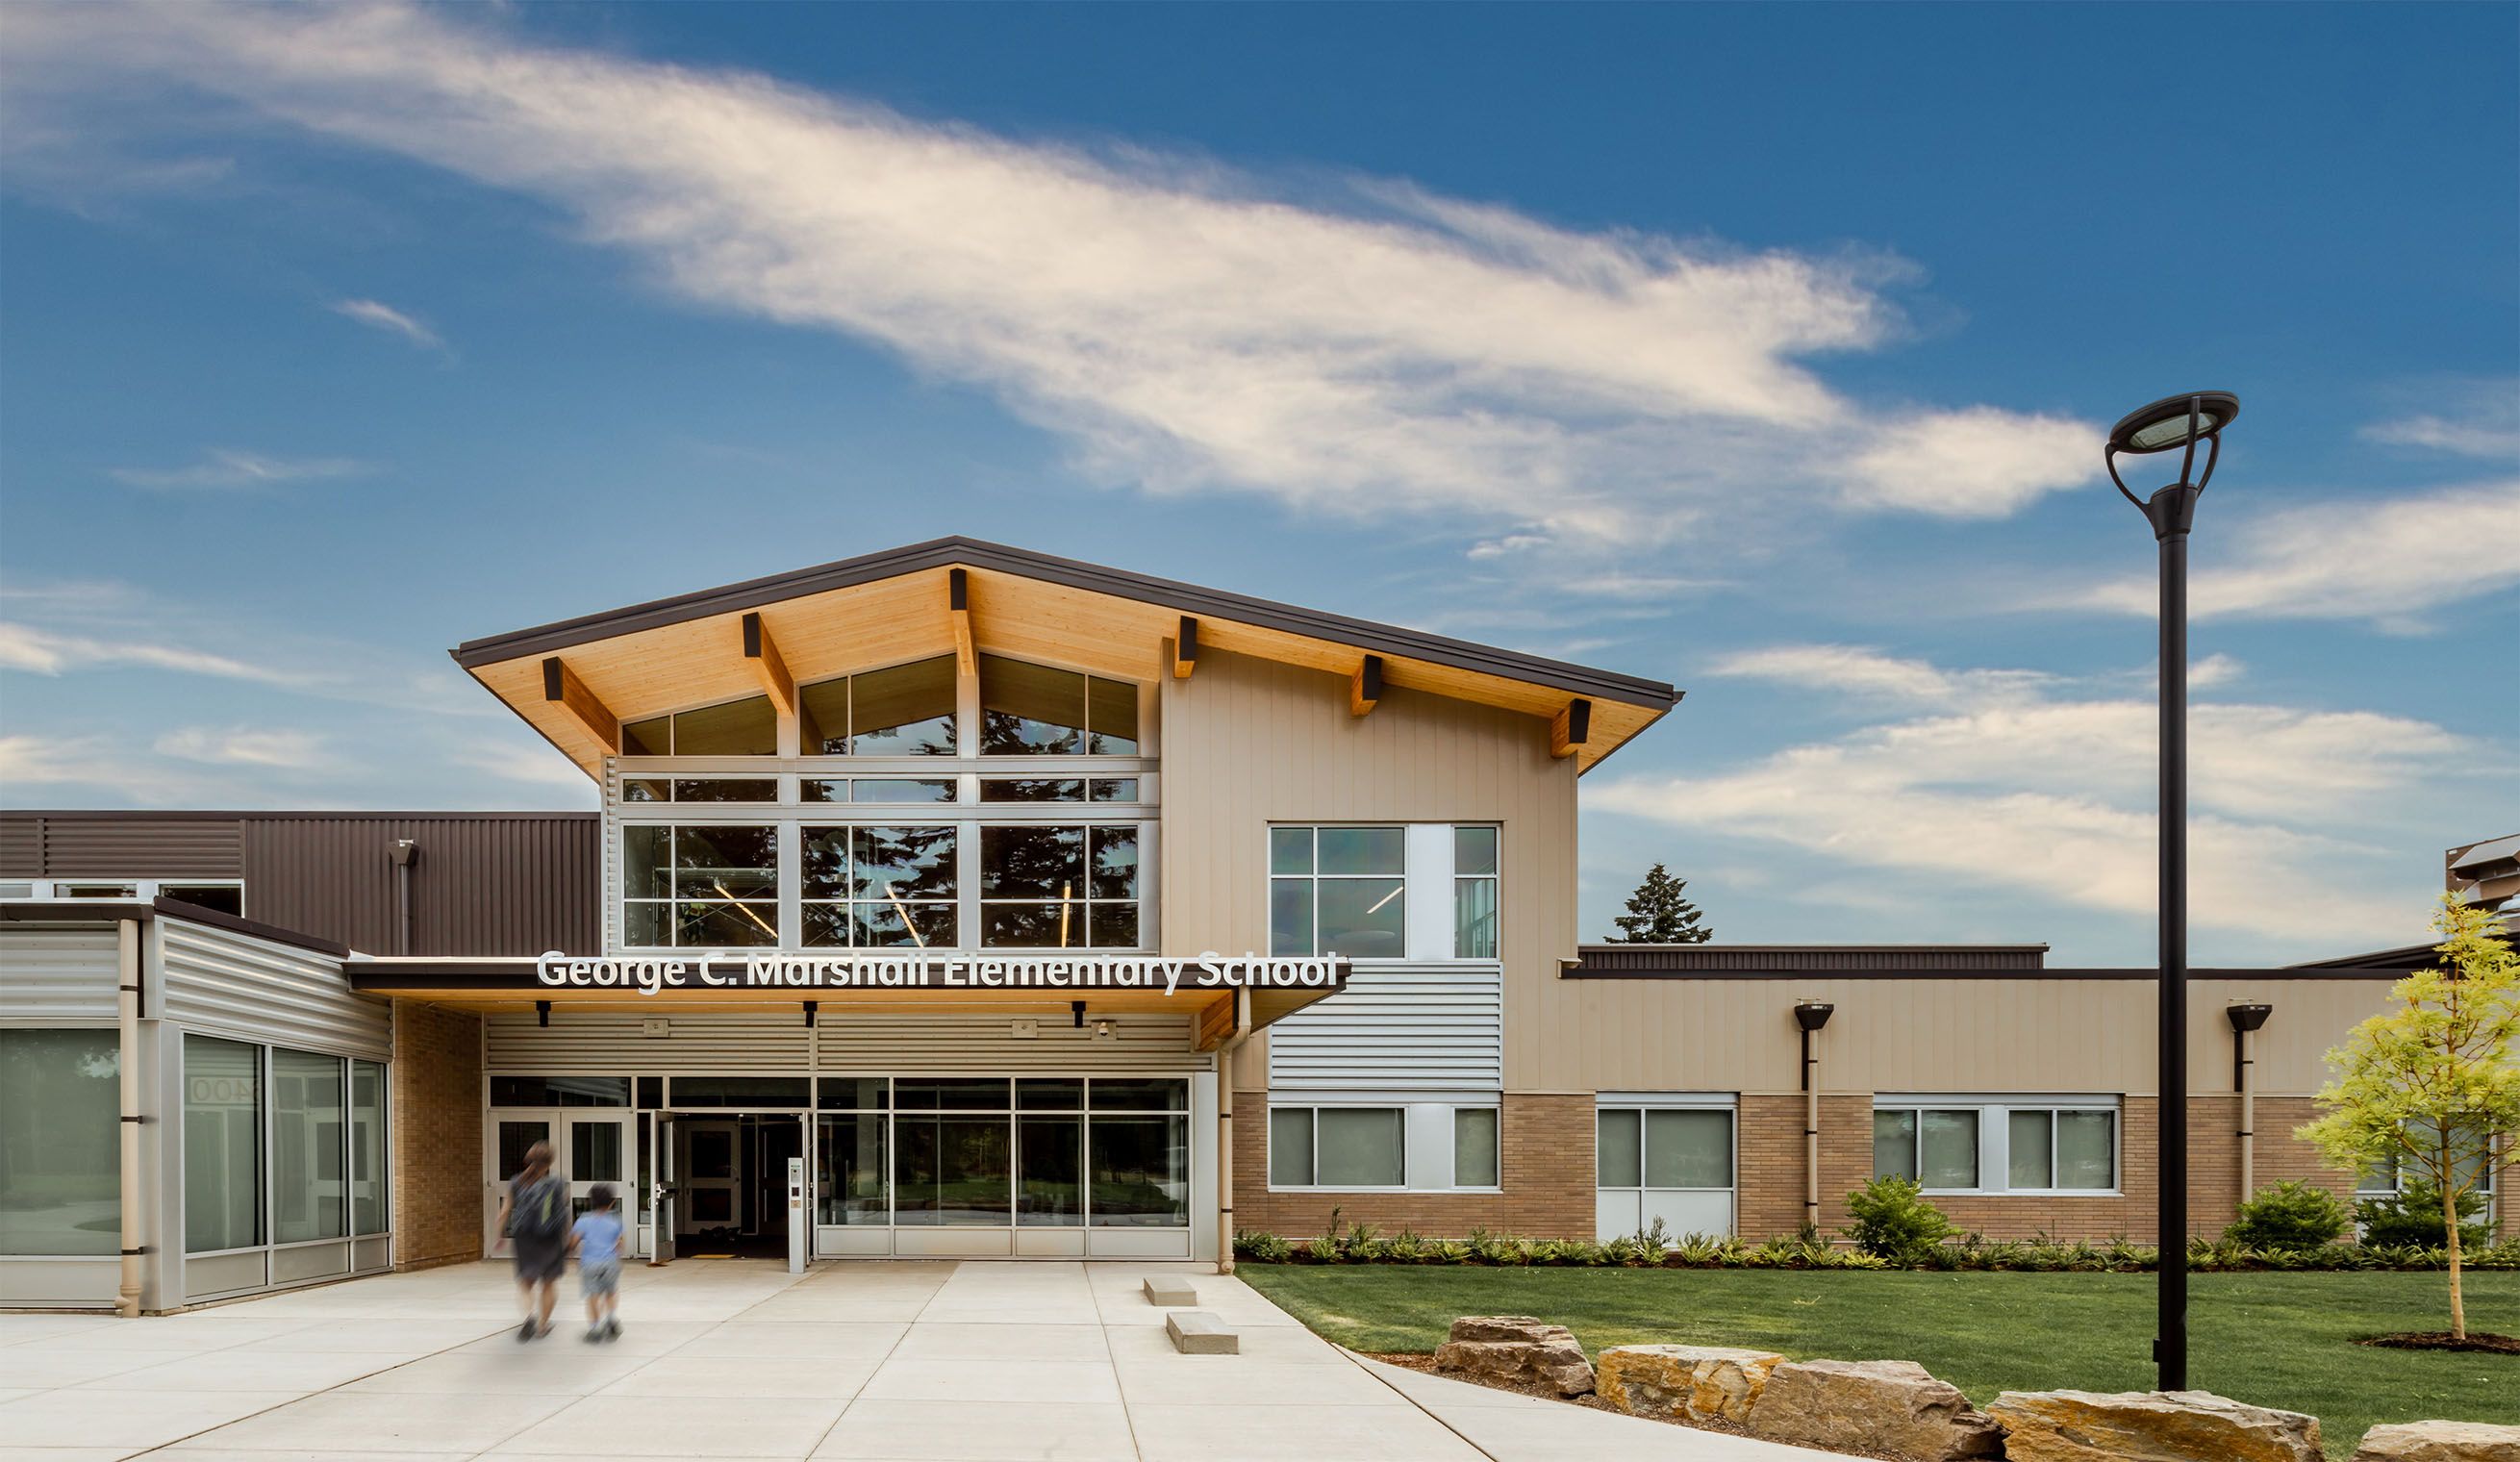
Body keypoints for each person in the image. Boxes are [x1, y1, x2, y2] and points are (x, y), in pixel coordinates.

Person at [491, 1140, 567, 1342]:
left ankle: (528, 1317)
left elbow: (505, 1212)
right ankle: (543, 1326)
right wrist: (567, 1241)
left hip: (525, 1237)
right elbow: (565, 1215)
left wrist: (499, 1235)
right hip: (550, 1237)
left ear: (528, 1159)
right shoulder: (558, 1183)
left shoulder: (516, 1182)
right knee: (549, 1283)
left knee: (526, 1282)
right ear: (550, 1162)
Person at [569, 1183, 624, 1343]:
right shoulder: (616, 1220)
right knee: (611, 1291)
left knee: (592, 1295)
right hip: (610, 1261)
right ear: (612, 1202)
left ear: (591, 1201)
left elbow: (573, 1242)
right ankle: (611, 1318)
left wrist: (573, 1255)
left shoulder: (584, 1220)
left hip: (590, 1263)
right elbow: (620, 1244)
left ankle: (594, 1329)